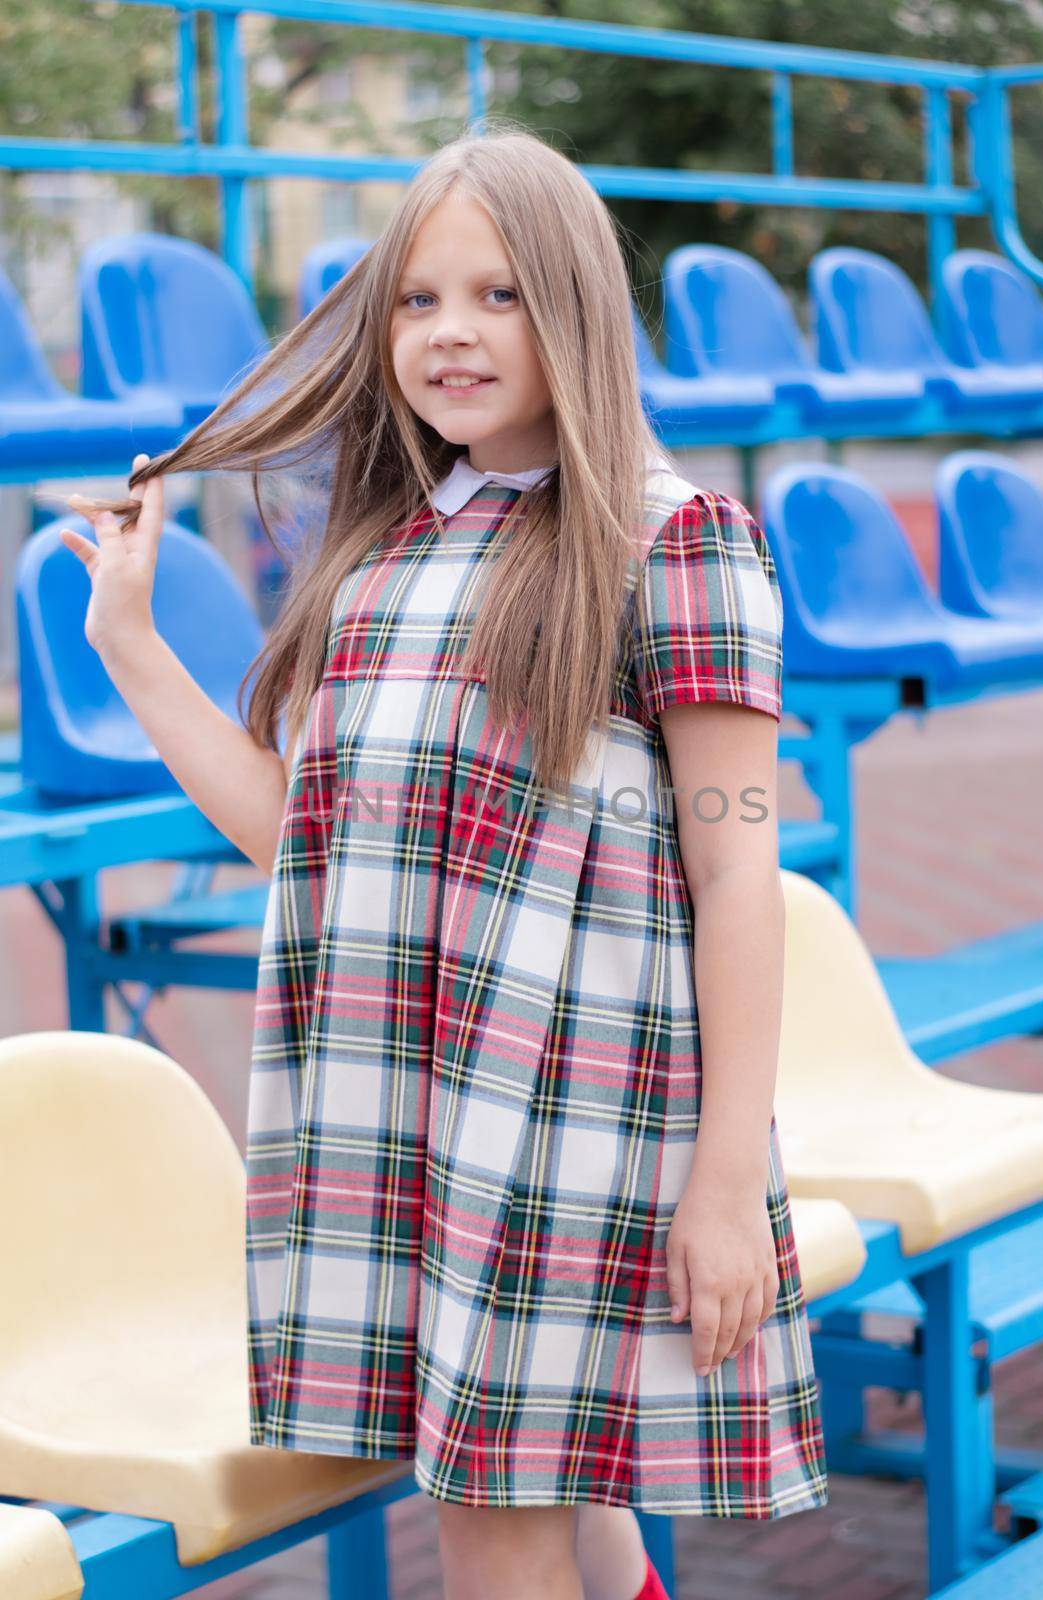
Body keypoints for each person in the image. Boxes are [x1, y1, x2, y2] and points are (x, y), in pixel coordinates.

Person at [58, 119, 828, 1600]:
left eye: (498, 295)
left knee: (490, 1513)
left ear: (576, 311)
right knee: (520, 1486)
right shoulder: (391, 552)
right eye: (417, 300)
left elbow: (739, 868)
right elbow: (310, 844)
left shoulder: (672, 540)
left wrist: (728, 1178)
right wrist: (132, 651)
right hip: (399, 1106)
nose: (450, 334)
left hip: (575, 1110)